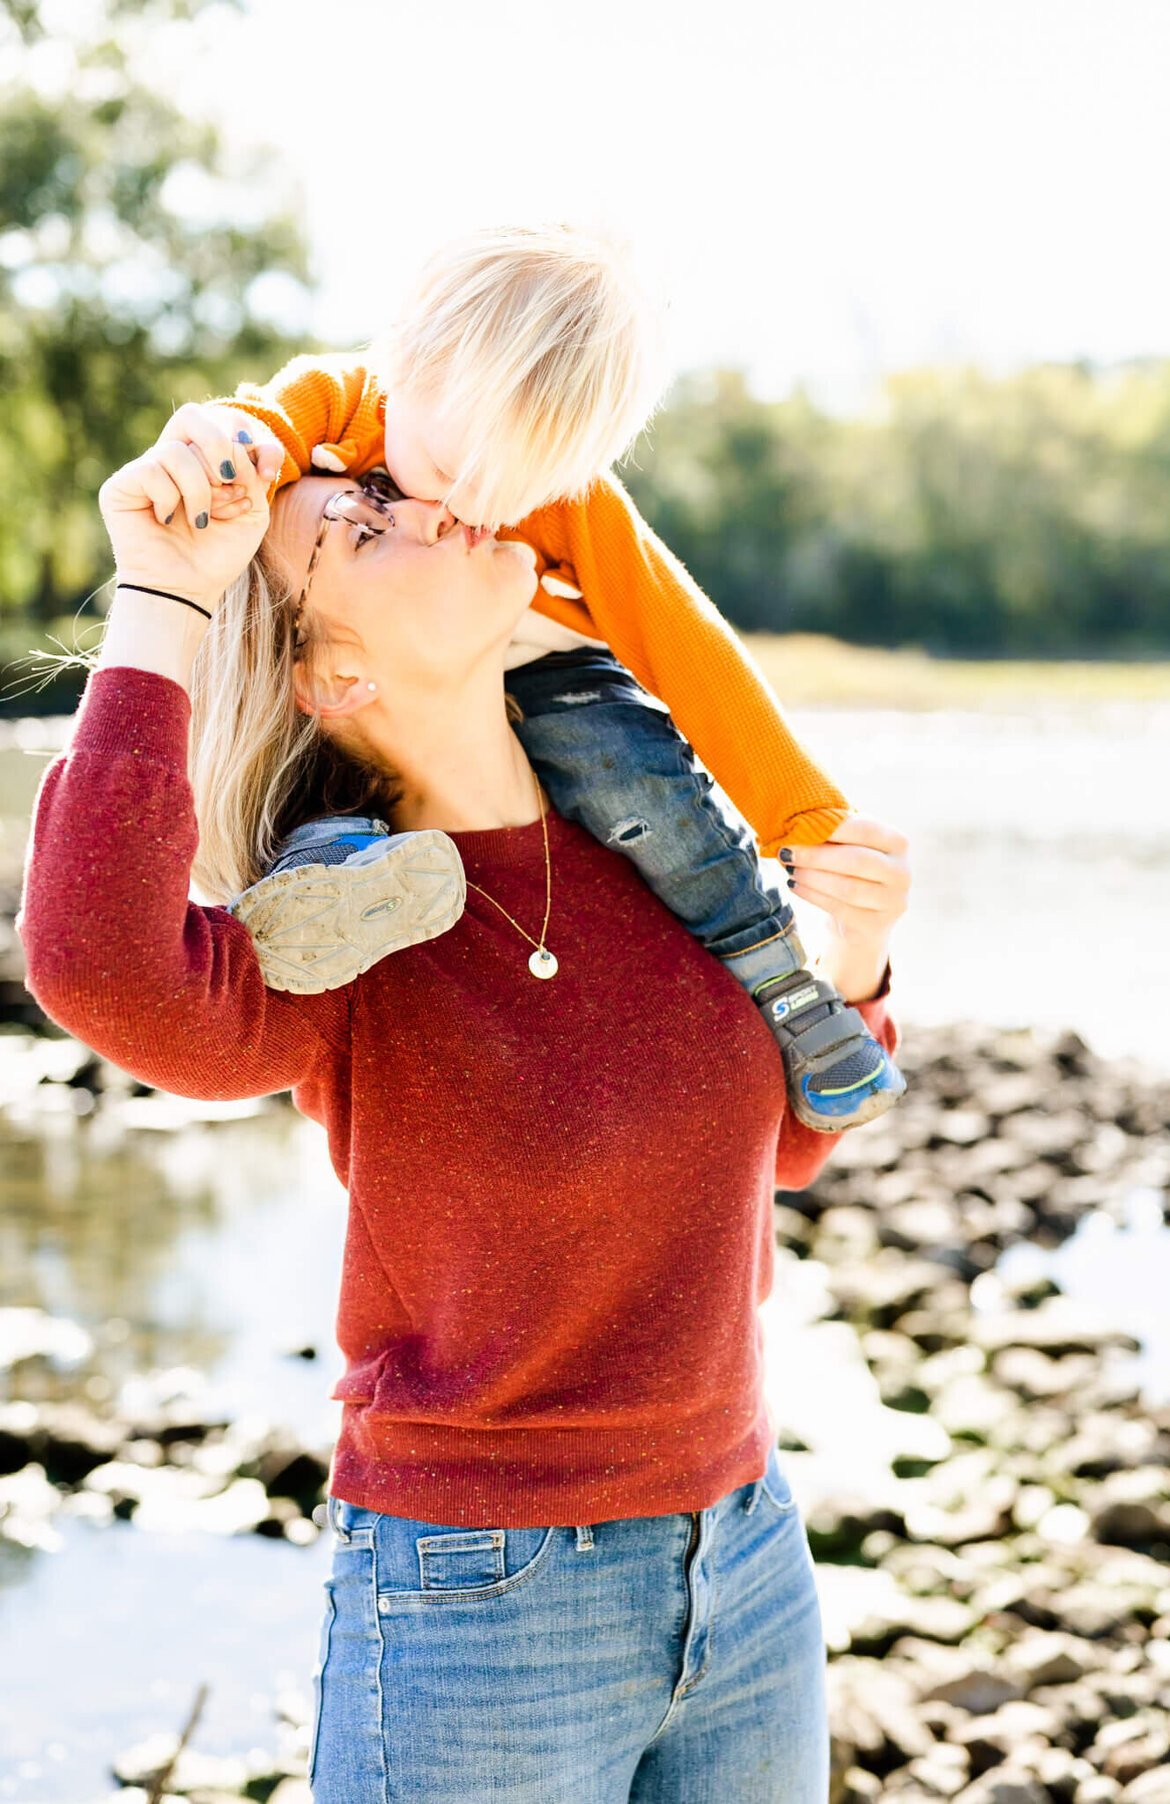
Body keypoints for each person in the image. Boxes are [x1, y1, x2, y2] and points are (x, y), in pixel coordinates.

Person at [18, 422, 908, 1803]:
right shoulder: (349, 925)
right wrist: (167, 591)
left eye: (391, 493)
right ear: (332, 674)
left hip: (744, 1553)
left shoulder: (663, 851)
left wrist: (852, 965)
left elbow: (775, 1148)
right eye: (361, 532)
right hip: (483, 1598)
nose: (424, 509)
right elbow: (99, 968)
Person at [175, 222, 904, 1133]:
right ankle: (326, 859)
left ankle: (780, 981)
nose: (461, 511)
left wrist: (807, 825)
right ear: (402, 360)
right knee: (334, 741)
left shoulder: (576, 501)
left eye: (513, 491)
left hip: (553, 668)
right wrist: (205, 474)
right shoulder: (336, 401)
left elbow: (686, 647)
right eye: (436, 475)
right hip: (366, 711)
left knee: (645, 781)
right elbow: (248, 444)